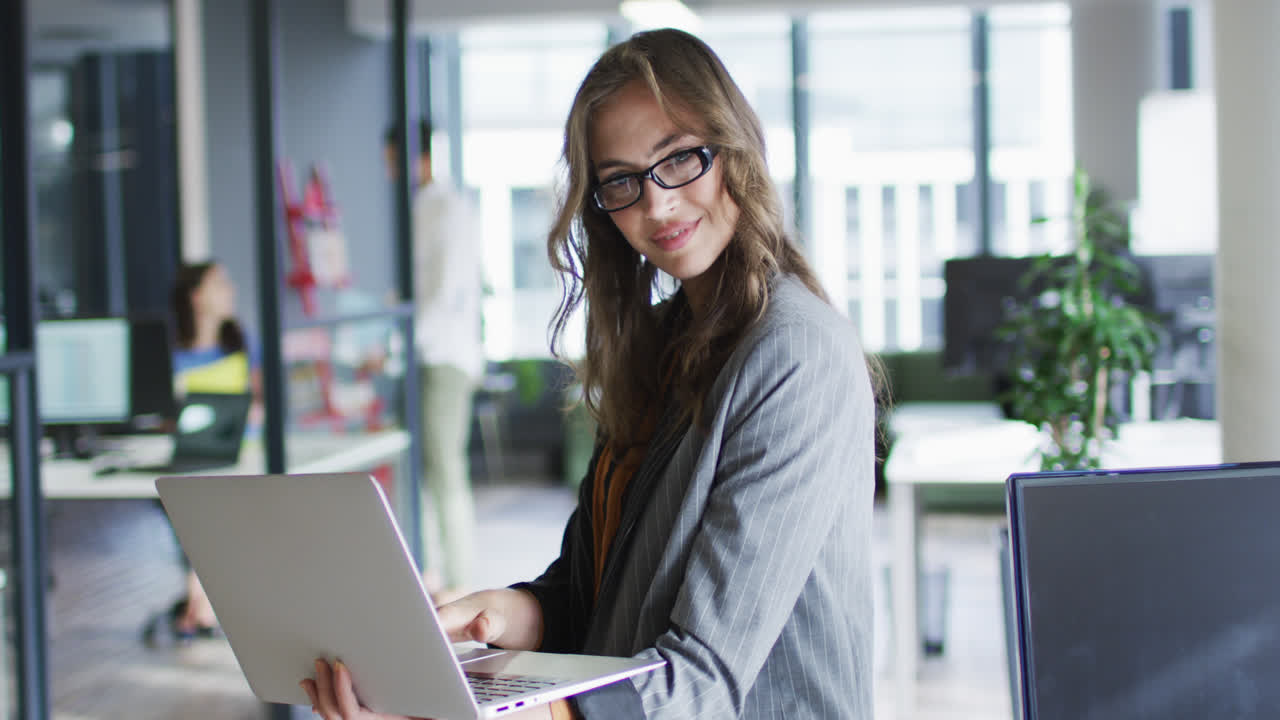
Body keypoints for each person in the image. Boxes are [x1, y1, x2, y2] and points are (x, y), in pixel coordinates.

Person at [305, 28, 876, 719]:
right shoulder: (666, 345)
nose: (656, 204)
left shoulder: (794, 354)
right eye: (620, 182)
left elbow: (706, 679)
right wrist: (492, 620)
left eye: (680, 160)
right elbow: (594, 595)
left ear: (734, 151)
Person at [384, 120, 485, 600]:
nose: (387, 172)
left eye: (390, 160)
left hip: (443, 357)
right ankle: (432, 576)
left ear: (414, 158)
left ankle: (459, 581)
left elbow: (444, 295)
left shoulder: (445, 209)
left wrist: (395, 345)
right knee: (425, 472)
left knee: (444, 470)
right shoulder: (424, 208)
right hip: (426, 356)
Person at [164, 261, 260, 640]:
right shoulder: (171, 354)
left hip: (244, 457)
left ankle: (199, 597)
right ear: (197, 297)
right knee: (191, 503)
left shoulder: (243, 344)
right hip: (193, 459)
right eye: (220, 284)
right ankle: (202, 599)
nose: (230, 290)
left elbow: (262, 402)